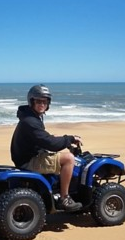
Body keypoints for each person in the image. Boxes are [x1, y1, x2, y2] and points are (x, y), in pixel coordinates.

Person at [10, 84, 83, 212]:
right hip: (30, 161)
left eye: (45, 101)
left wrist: (59, 139)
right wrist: (69, 139)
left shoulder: (29, 116)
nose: (42, 104)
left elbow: (43, 138)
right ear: (31, 101)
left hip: (26, 156)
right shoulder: (30, 121)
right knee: (69, 159)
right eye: (38, 101)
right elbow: (50, 144)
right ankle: (64, 198)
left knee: (55, 144)